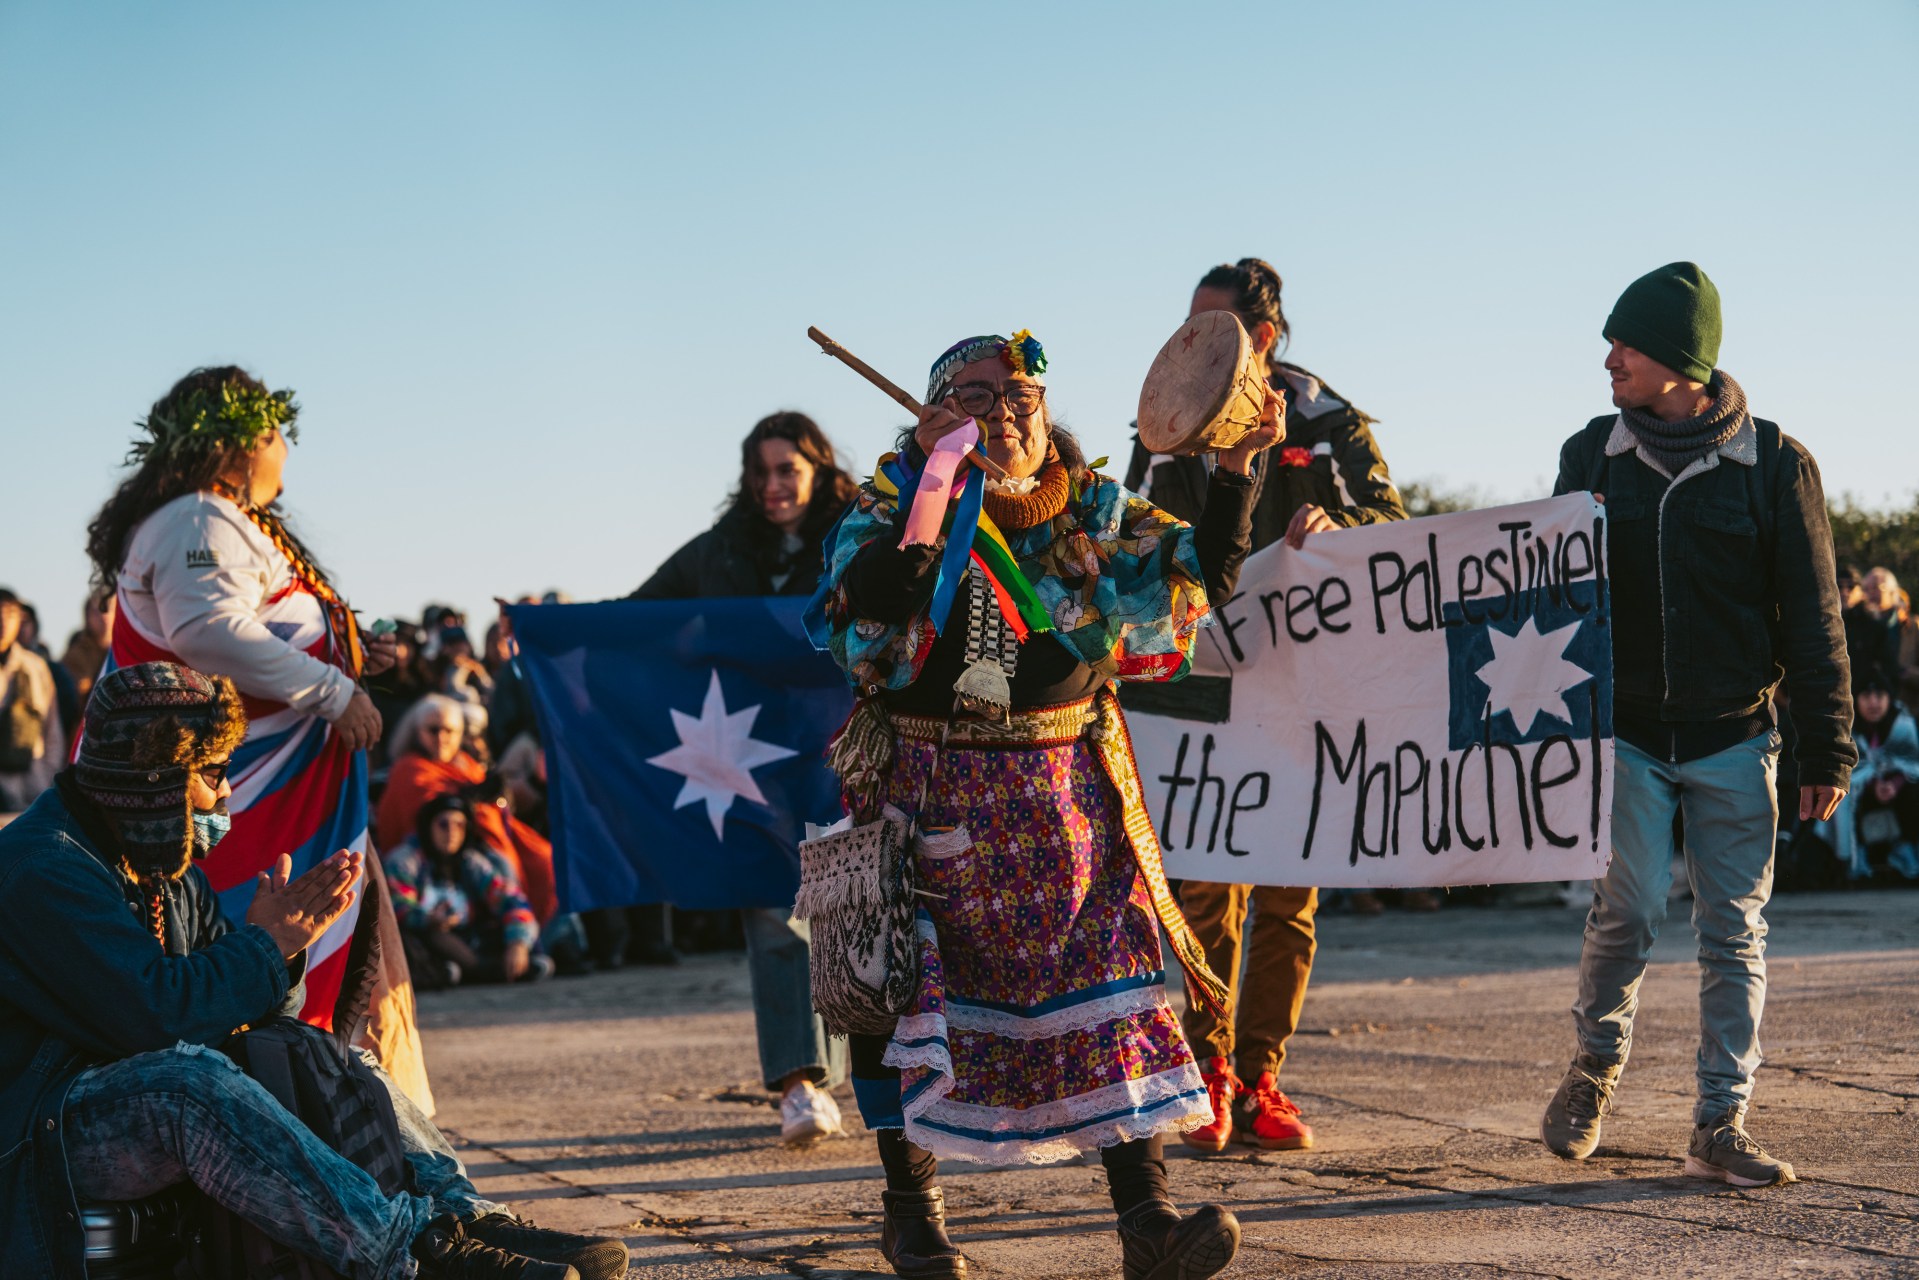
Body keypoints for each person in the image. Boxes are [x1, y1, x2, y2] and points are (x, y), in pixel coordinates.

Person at [814, 330, 1280, 1280]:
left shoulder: (1093, 504)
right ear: (937, 409)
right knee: (906, 990)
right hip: (932, 786)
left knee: (1112, 981)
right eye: (982, 394)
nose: (1012, 405)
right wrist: (937, 486)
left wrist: (1234, 465)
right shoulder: (893, 501)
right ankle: (914, 1221)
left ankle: (1148, 1222)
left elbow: (1199, 573)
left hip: (1067, 794)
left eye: (1023, 389)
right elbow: (867, 602)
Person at [0, 661, 628, 1280]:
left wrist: (285, 950)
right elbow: (156, 1017)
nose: (225, 794)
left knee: (338, 1054)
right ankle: (412, 1257)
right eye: (213, 773)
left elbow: (257, 1014)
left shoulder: (162, 866)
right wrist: (267, 947)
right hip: (41, 1127)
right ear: (155, 780)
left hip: (114, 1087)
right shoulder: (44, 867)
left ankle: (465, 1221)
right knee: (184, 1086)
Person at [1541, 263, 1854, 1187]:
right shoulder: (1587, 454)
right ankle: (1593, 1069)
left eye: (1626, 346)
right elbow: (1538, 591)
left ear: (1681, 360)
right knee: (1626, 912)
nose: (1607, 360)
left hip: (1734, 737)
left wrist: (1825, 741)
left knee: (1734, 931)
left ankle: (1721, 1120)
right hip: (1625, 733)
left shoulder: (1777, 465)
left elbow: (1813, 612)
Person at [85, 365, 433, 1111]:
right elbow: (208, 632)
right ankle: (328, 1132)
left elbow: (250, 625)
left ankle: (369, 1135)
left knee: (352, 973)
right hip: (257, 810)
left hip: (298, 801)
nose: (284, 452)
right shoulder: (198, 518)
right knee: (289, 976)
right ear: (241, 443)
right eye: (276, 434)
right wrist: (335, 690)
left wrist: (348, 646)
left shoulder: (218, 520)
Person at [1123, 257, 1409, 1155]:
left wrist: (1336, 531)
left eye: (1218, 329)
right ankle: (1205, 1072)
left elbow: (1393, 528)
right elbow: (1128, 532)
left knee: (1289, 892)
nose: (1195, 343)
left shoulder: (1329, 422)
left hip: (1310, 690)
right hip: (1203, 682)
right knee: (1202, 889)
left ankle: (1261, 1079)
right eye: (1189, 324)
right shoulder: (1161, 426)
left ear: (1266, 338)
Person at [629, 409, 861, 1145]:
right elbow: (634, 617)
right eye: (758, 472)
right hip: (750, 762)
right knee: (772, 908)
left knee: (846, 910)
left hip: (843, 752)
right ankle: (800, 1083)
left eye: (785, 469)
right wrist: (547, 628)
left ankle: (859, 1074)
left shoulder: (862, 534)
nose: (770, 486)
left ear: (818, 467)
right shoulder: (721, 548)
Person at [377, 694, 559, 923]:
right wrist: (469, 801)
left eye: (449, 731)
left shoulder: (465, 762)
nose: (441, 738)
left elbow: (497, 810)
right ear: (417, 732)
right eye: (433, 730)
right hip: (442, 854)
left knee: (546, 861)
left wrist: (500, 794)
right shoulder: (408, 768)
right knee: (502, 868)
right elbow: (425, 816)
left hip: (483, 840)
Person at [387, 794, 555, 988]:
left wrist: (518, 943)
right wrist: (429, 919)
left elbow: (511, 899)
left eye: (460, 825)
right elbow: (396, 906)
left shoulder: (471, 861)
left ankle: (495, 967)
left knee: (518, 934)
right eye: (443, 824)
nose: (452, 832)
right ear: (427, 827)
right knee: (426, 938)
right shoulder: (404, 860)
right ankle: (478, 970)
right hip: (426, 938)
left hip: (470, 937)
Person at [1824, 667, 1919, 881]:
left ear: (1889, 698)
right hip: (1863, 796)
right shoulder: (1846, 729)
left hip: (1900, 795)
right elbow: (1848, 769)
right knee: (1842, 792)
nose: (1873, 703)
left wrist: (1895, 783)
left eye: (1880, 696)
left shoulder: (1903, 726)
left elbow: (1913, 763)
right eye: (1866, 696)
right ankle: (1856, 858)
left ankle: (1906, 850)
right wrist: (1872, 783)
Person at [0, 587, 66, 812]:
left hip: (31, 788)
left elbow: (52, 731)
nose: (3, 622)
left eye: (9, 614)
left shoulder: (36, 668)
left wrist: (46, 778)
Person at [1844, 567, 1905, 686]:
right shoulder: (1854, 625)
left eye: (1876, 587)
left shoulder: (1912, 627)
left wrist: (1906, 673)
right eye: (1865, 589)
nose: (1870, 593)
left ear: (1893, 592)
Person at [60, 589, 117, 703]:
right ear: (87, 617)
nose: (103, 616)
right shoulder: (76, 656)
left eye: (108, 609)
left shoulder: (127, 649)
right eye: (97, 611)